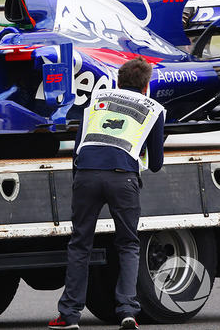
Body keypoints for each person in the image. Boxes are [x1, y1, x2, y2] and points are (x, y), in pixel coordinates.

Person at [49, 57, 165, 330]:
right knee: (127, 244)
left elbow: (78, 146)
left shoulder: (95, 101)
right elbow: (156, 164)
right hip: (122, 178)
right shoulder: (153, 109)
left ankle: (69, 316)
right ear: (146, 86)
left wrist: (81, 180)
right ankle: (127, 311)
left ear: (118, 81)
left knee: (80, 244)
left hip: (87, 174)